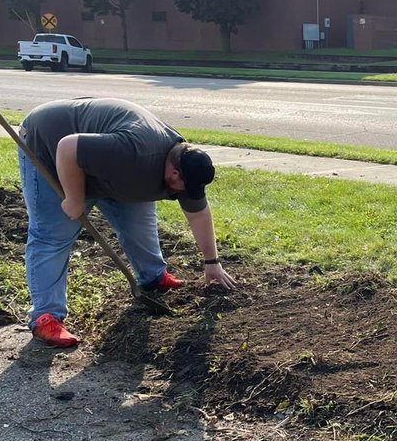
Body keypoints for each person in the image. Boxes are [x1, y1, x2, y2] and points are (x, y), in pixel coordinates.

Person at [17, 97, 237, 348]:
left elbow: (199, 214)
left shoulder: (185, 164)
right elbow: (68, 147)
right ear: (174, 173)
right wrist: (75, 198)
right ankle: (46, 317)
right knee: (53, 235)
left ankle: (153, 277)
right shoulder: (134, 151)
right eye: (183, 187)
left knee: (139, 224)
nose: (183, 194)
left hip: (108, 165)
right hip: (50, 145)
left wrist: (212, 264)